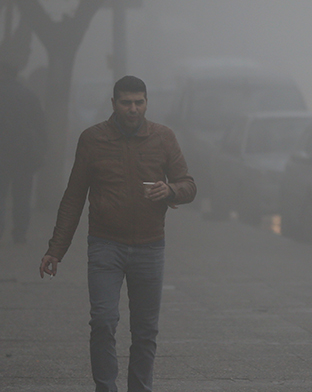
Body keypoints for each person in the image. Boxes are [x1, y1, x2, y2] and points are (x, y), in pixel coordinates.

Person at [39, 75, 196, 392]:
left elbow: (189, 186)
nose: (133, 109)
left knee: (145, 331)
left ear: (146, 103)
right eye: (126, 102)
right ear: (114, 104)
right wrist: (56, 249)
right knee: (103, 321)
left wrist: (170, 190)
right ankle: (106, 387)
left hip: (150, 247)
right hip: (105, 246)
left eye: (139, 102)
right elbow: (73, 197)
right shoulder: (93, 139)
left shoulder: (163, 138)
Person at [0, 61, 47, 245]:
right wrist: (42, 148)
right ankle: (19, 234)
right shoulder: (29, 95)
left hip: (2, 153)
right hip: (24, 154)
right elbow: (40, 124)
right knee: (22, 196)